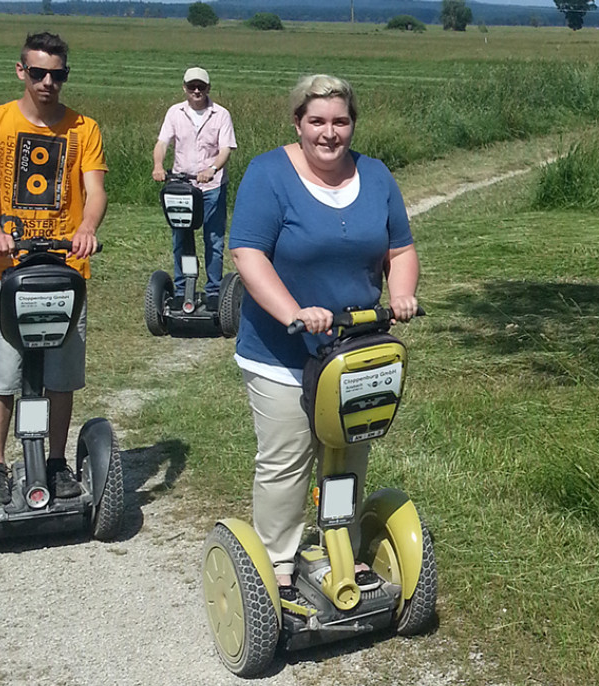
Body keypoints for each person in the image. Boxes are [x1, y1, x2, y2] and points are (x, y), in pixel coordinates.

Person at [229, 74, 420, 597]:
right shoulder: (268, 174)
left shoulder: (375, 175)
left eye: (340, 121)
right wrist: (294, 311)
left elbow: (399, 249)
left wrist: (401, 293)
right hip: (282, 352)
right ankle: (279, 562)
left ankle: (344, 545)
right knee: (287, 459)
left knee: (348, 452)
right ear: (298, 122)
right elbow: (248, 253)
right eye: (317, 121)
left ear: (352, 124)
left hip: (354, 349)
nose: (329, 133)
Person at [0, 32, 107, 506]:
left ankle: (56, 461)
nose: (49, 82)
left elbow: (96, 190)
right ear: (21, 71)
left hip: (66, 268)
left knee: (61, 375)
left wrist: (86, 227)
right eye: (40, 72)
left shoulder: (83, 128)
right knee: (1, 377)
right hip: (4, 269)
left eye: (58, 74)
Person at [152, 67, 237, 310]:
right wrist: (159, 165)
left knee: (213, 239)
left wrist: (212, 168)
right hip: (182, 186)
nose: (196, 91)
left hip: (211, 187)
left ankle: (212, 291)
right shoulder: (175, 113)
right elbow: (162, 142)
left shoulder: (220, 114)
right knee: (181, 238)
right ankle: (182, 289)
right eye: (192, 87)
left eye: (201, 87)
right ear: (185, 88)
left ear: (208, 88)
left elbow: (225, 150)